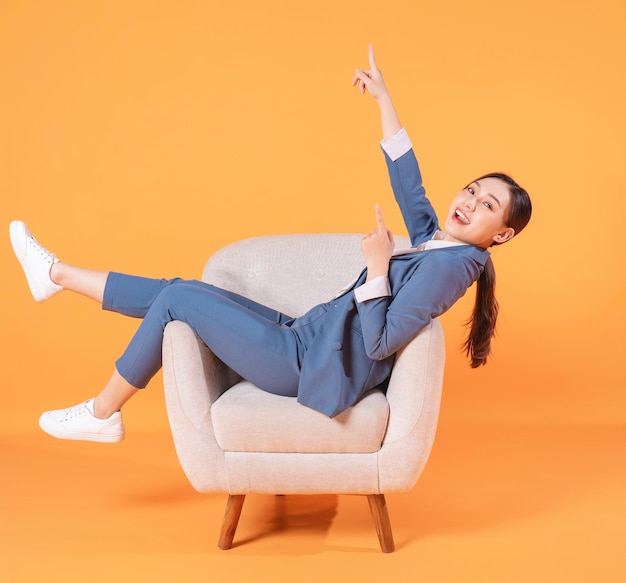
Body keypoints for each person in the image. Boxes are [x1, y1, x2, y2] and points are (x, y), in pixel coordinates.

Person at [10, 45, 531, 443]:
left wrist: (376, 269)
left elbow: (380, 344)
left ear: (501, 234)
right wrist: (384, 101)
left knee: (176, 301)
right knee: (180, 290)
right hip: (304, 335)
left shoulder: (455, 267)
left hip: (307, 365)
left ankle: (103, 413)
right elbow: (410, 188)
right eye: (471, 189)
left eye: (487, 206)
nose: (469, 201)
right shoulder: (441, 247)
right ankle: (55, 275)